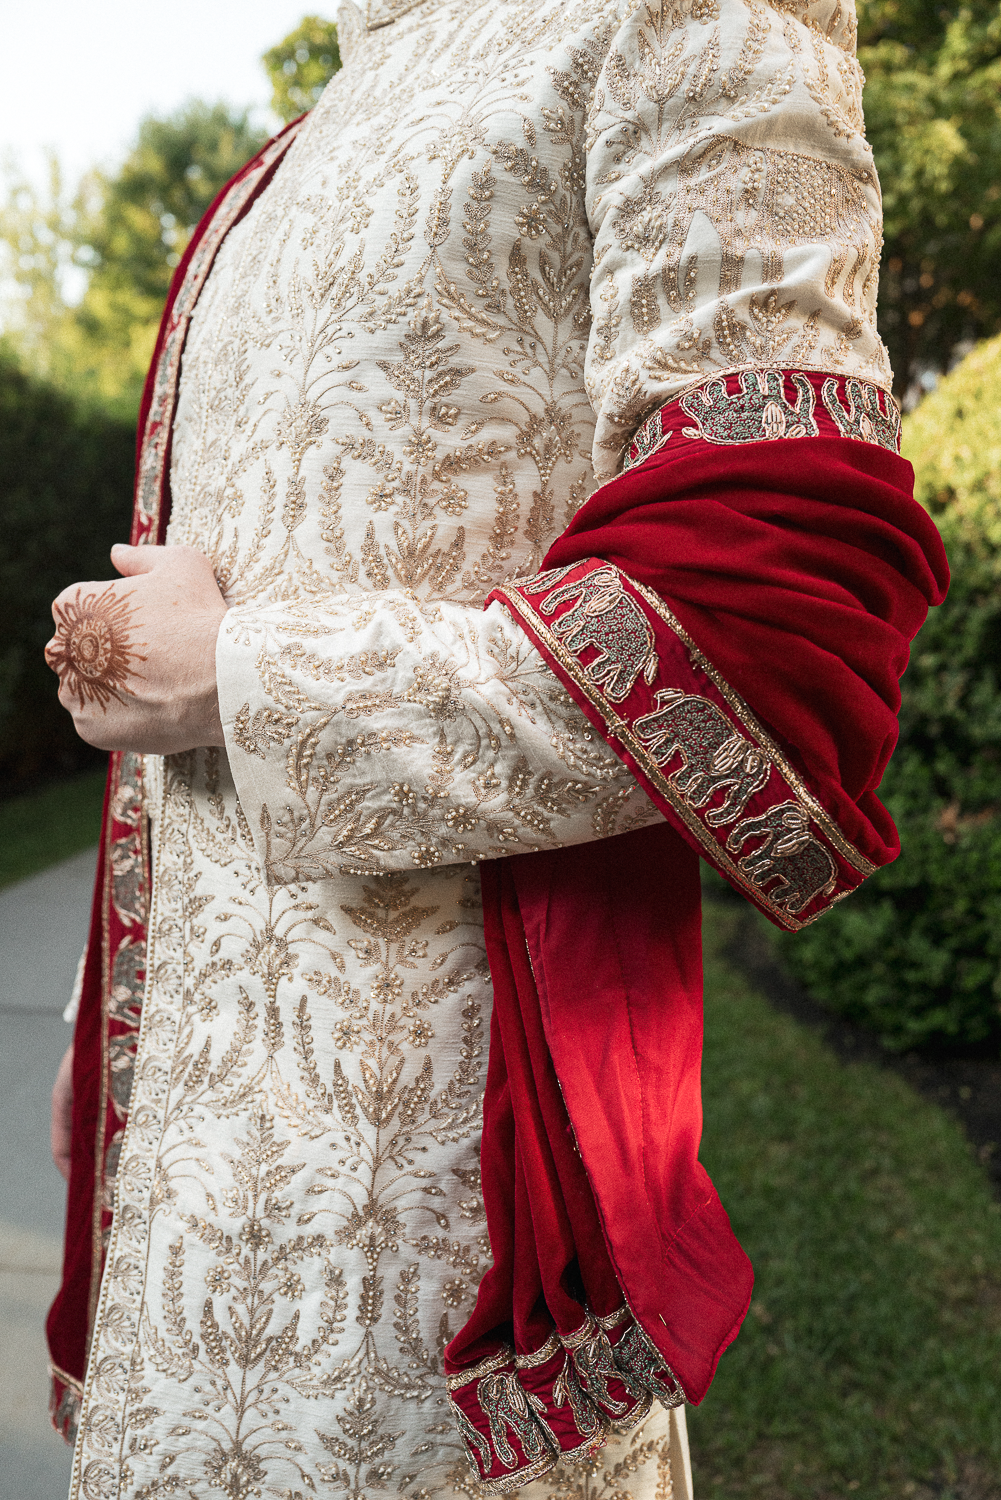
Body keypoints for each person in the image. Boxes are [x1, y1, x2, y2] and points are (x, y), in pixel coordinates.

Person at [45, 1, 947, 1496]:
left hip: (425, 1225)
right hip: (180, 1212)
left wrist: (248, 678)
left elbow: (776, 623)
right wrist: (108, 1002)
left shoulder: (681, 19)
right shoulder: (289, 152)